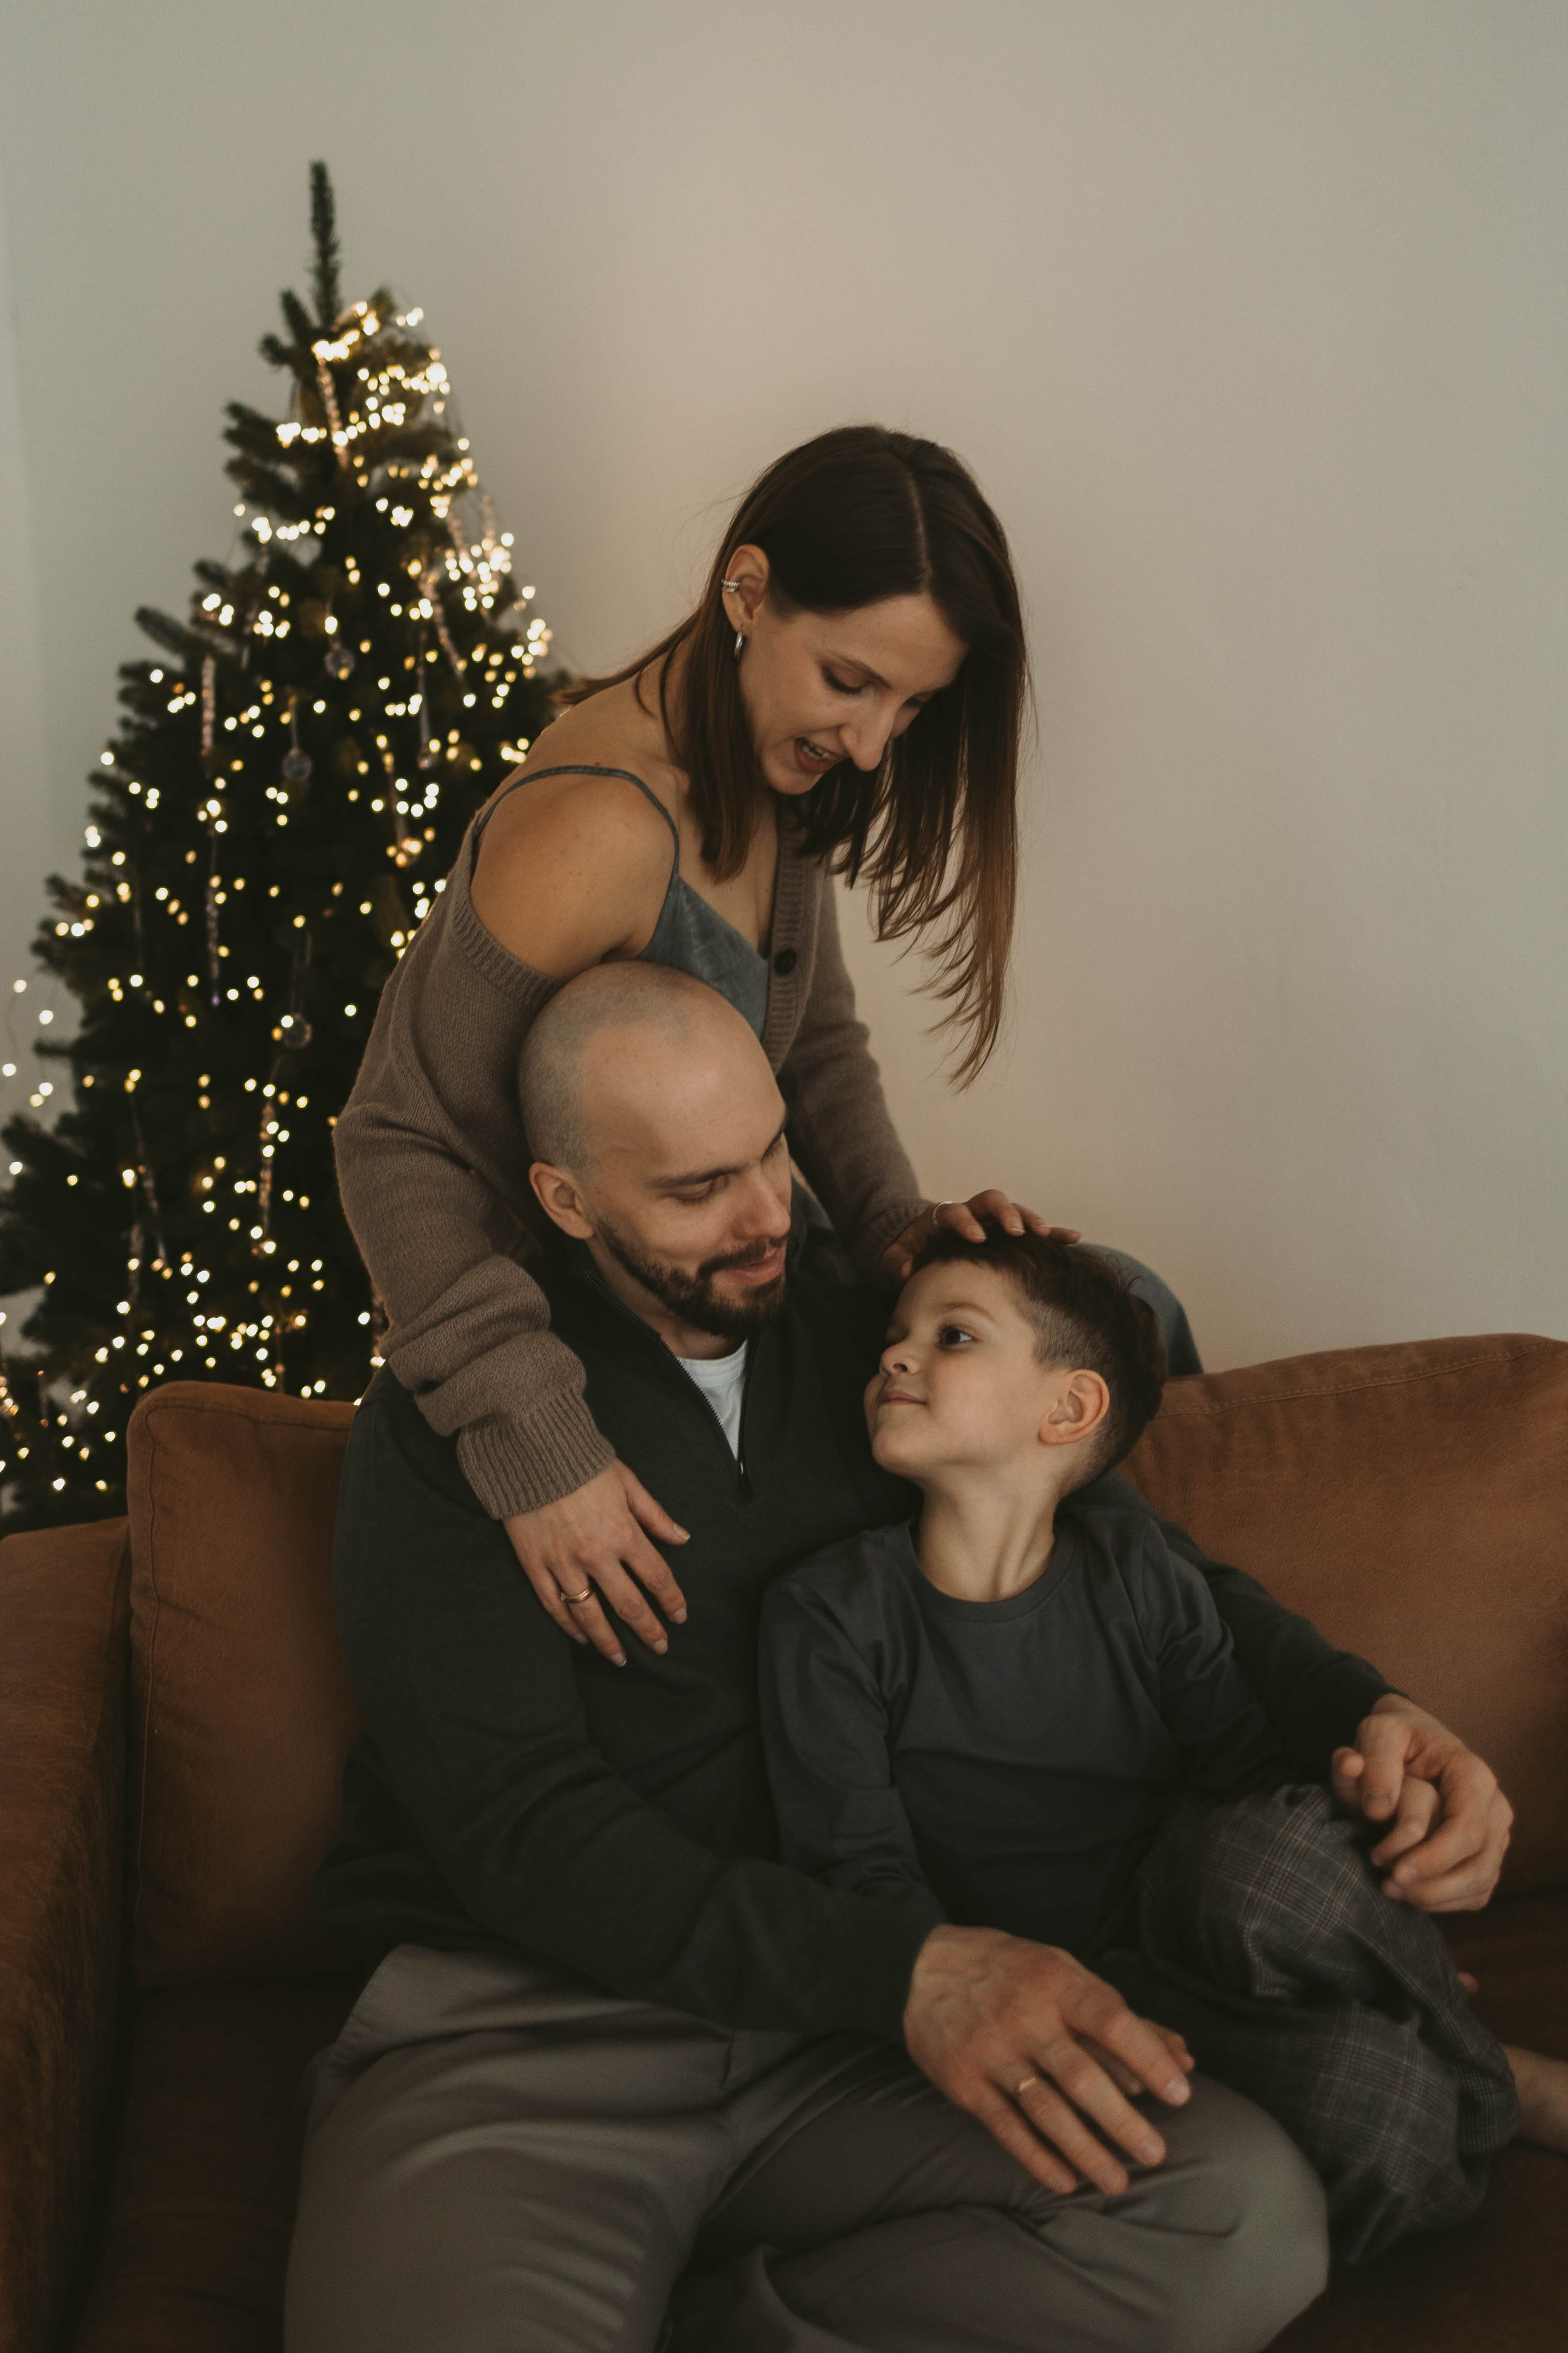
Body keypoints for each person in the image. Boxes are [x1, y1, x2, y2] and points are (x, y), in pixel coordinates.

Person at [286, 967, 1513, 2352]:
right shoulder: (469, 1425)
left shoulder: (877, 1332)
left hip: (857, 2047)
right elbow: (518, 1826)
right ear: (568, 1199)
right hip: (537, 2042)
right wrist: (906, 1971)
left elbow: (1144, 1565)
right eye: (697, 1190)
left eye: (770, 1153)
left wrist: (1371, 1707)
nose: (765, 1221)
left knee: (1238, 2218)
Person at [332, 422, 1198, 1658]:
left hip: (758, 1271)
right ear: (746, 592)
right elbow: (395, 1139)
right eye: (850, 681)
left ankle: (1127, 1693)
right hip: (620, 1317)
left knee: (1126, 1311)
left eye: (913, 705)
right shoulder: (593, 830)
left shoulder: (769, 768)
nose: (870, 743)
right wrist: (530, 1433)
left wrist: (903, 1233)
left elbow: (815, 1045)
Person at [758, 1227, 1568, 2264]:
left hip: (1204, 1890)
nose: (895, 1357)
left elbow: (1242, 1765)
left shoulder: (1130, 1561)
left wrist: (1352, 1913)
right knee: (1377, 2114)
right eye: (894, 1335)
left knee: (1274, 1862)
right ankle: (1434, 2099)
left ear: (1069, 1408)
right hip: (1080, 1982)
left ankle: (1478, 2057)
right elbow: (860, 1871)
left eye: (952, 1335)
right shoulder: (830, 1616)